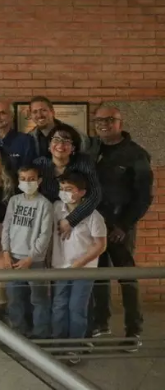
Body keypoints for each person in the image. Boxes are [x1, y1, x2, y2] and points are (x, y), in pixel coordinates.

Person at [89, 105, 152, 345]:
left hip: (120, 228)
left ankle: (133, 330)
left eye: (109, 120)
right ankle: (101, 322)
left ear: (120, 122)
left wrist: (124, 226)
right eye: (98, 120)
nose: (103, 124)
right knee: (99, 276)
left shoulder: (136, 154)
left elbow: (143, 197)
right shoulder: (92, 149)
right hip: (95, 226)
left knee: (127, 277)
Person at [51, 172, 107, 364]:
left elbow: (100, 245)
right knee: (59, 305)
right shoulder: (56, 208)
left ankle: (74, 346)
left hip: (84, 270)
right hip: (60, 266)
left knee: (76, 308)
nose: (64, 193)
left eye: (69, 189)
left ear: (82, 192)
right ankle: (58, 344)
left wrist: (79, 263)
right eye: (62, 189)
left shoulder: (93, 215)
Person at [1, 165, 53, 339]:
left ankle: (40, 335)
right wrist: (6, 252)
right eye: (23, 178)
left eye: (31, 179)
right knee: (15, 298)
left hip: (34, 260)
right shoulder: (14, 201)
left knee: (38, 300)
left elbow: (44, 235)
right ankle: (18, 334)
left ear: (39, 181)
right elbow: (6, 228)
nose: (27, 182)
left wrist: (31, 258)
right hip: (13, 258)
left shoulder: (45, 204)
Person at [33, 123, 101, 241]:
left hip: (79, 219)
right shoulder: (39, 164)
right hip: (46, 222)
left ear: (73, 148)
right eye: (56, 140)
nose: (60, 144)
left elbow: (95, 194)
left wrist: (71, 220)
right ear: (49, 145)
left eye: (66, 141)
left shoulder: (83, 163)